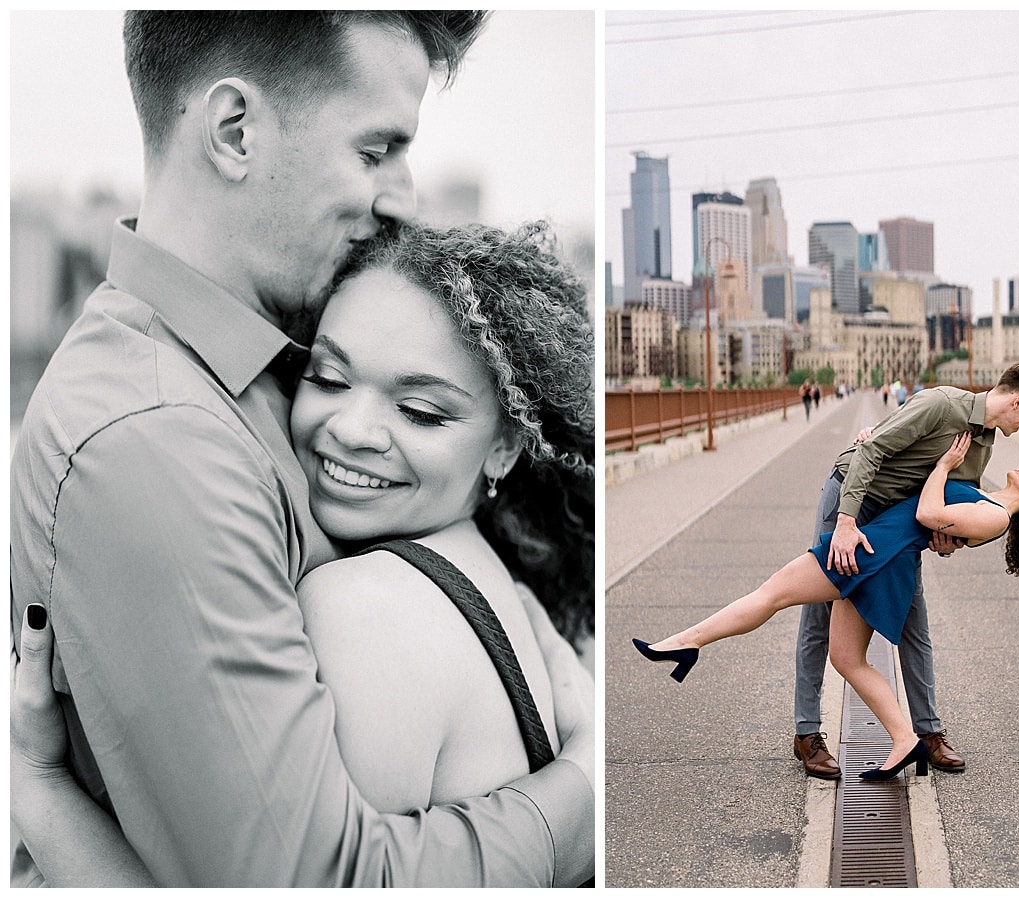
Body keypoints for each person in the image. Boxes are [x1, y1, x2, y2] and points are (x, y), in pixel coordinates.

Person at [9, 12, 594, 887]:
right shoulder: (151, 440)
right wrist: (582, 795)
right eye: (374, 150)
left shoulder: (271, 366)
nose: (399, 193)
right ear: (236, 131)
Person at [634, 432, 1019, 778]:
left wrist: (944, 465)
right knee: (846, 657)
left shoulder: (996, 515)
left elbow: (927, 514)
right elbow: (935, 523)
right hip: (882, 555)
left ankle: (686, 642)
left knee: (772, 594)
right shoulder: (988, 499)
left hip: (872, 553)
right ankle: (905, 740)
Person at [793, 363, 1019, 779]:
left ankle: (928, 733)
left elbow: (949, 505)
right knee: (819, 611)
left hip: (896, 522)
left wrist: (949, 542)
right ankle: (807, 732)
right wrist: (846, 521)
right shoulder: (941, 403)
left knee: (915, 622)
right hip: (851, 496)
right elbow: (872, 449)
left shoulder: (983, 443)